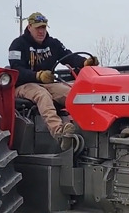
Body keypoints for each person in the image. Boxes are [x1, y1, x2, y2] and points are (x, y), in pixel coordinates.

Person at [7, 12, 99, 150]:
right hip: (23, 85)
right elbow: (16, 70)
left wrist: (84, 62)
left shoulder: (53, 43)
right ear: (30, 26)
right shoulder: (18, 44)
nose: (41, 31)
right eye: (38, 28)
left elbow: (68, 56)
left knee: (73, 94)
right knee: (42, 95)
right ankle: (59, 132)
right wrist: (37, 76)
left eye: (44, 27)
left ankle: (92, 127)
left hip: (48, 83)